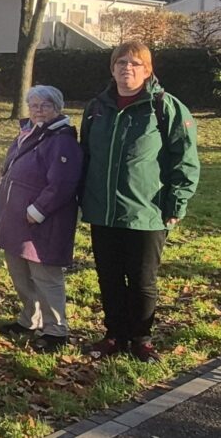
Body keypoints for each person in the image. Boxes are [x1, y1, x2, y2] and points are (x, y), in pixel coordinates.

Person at [80, 41, 199, 362]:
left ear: (148, 70)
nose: (127, 69)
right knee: (109, 278)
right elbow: (86, 156)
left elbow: (184, 160)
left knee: (143, 280)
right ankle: (115, 335)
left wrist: (177, 203)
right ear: (112, 68)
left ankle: (141, 338)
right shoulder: (96, 109)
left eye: (135, 64)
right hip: (103, 212)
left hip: (147, 212)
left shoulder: (165, 107)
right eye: (121, 63)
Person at [0, 85, 83, 352]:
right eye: (34, 105)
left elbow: (62, 183)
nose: (38, 111)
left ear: (57, 108)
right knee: (20, 272)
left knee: (45, 275)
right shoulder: (29, 133)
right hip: (15, 220)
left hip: (42, 222)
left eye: (45, 106)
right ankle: (30, 318)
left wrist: (37, 211)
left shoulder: (62, 139)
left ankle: (56, 330)